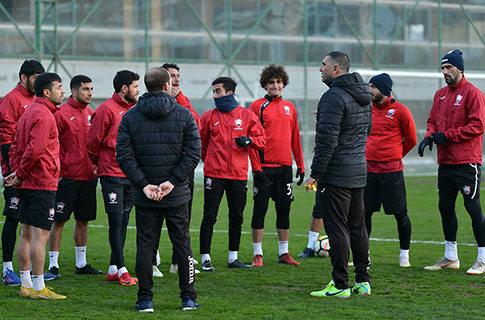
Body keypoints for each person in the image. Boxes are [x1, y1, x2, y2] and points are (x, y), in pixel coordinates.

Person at [116, 67, 201, 312]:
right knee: (183, 245)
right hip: (175, 193)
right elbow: (193, 153)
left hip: (147, 195)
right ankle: (188, 297)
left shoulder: (130, 116)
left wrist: (143, 185)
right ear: (166, 86)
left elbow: (124, 155)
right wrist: (172, 182)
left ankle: (145, 299)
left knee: (145, 246)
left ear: (146, 87)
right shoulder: (184, 115)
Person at [307, 51, 372, 298]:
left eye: (323, 64)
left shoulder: (333, 96)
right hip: (357, 170)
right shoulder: (363, 94)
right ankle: (363, 282)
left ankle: (340, 285)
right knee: (357, 227)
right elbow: (366, 130)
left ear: (336, 69)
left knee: (337, 229)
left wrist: (315, 173)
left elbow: (327, 141)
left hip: (336, 174)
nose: (319, 68)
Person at [419, 49, 485, 275]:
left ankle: (483, 259)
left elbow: (477, 126)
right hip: (445, 163)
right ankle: (450, 257)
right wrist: (429, 136)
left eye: (448, 68)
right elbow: (432, 121)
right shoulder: (440, 95)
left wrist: (447, 136)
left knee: (472, 207)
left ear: (460, 68)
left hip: (467, 162)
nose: (445, 72)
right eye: (443, 68)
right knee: (445, 207)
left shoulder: (473, 93)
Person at [6, 72, 66, 299]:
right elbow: (35, 150)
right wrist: (20, 174)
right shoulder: (44, 115)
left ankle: (26, 284)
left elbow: (15, 147)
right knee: (40, 235)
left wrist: (15, 173)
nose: (63, 91)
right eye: (60, 87)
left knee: (26, 233)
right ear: (47, 92)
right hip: (40, 182)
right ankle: (39, 288)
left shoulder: (29, 111)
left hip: (30, 182)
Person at [199, 77, 265, 271]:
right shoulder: (208, 117)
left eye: (218, 91)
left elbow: (262, 140)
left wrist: (249, 141)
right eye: (213, 91)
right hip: (214, 174)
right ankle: (205, 258)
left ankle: (233, 258)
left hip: (238, 175)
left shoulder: (246, 116)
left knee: (236, 216)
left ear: (229, 93)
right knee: (209, 216)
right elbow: (202, 146)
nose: (214, 95)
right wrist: (212, 163)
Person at [46, 75, 103, 278]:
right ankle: (53, 264)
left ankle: (81, 263)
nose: (90, 93)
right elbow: (51, 145)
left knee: (83, 220)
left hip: (88, 177)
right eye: (86, 89)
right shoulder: (59, 114)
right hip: (66, 177)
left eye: (91, 89)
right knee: (58, 221)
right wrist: (58, 171)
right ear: (74, 91)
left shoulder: (92, 114)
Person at [87, 70, 140, 285]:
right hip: (111, 173)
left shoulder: (136, 110)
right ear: (124, 88)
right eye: (136, 87)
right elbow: (93, 143)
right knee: (116, 221)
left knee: (124, 220)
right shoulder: (105, 110)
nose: (138, 91)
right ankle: (122, 269)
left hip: (130, 174)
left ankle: (112, 268)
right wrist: (99, 165)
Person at [248, 64, 305, 267]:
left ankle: (284, 253)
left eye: (278, 82)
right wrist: (256, 168)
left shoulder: (290, 107)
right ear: (265, 84)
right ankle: (258, 254)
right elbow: (251, 140)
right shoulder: (257, 106)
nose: (275, 85)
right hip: (264, 167)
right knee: (260, 209)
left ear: (283, 84)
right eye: (271, 82)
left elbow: (295, 138)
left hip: (284, 168)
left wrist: (301, 165)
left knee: (284, 210)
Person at [154, 63, 202, 276]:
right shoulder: (152, 103)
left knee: (183, 218)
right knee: (154, 217)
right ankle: (152, 261)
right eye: (172, 76)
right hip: (157, 166)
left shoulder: (184, 101)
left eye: (178, 76)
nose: (176, 80)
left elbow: (196, 125)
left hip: (182, 171)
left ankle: (178, 262)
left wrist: (180, 98)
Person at [365, 73, 417, 267]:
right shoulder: (366, 110)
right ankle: (364, 255)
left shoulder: (401, 111)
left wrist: (393, 156)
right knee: (364, 214)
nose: (369, 90)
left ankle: (404, 255)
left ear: (384, 89)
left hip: (391, 172)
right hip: (368, 171)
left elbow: (411, 139)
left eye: (373, 87)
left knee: (400, 214)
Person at [0, 60, 44, 286]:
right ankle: (7, 269)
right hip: (16, 172)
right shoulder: (11, 100)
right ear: (23, 77)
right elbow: (5, 137)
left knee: (28, 219)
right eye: (35, 77)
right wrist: (11, 172)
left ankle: (28, 270)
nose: (38, 82)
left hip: (33, 172)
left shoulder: (37, 101)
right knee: (13, 216)